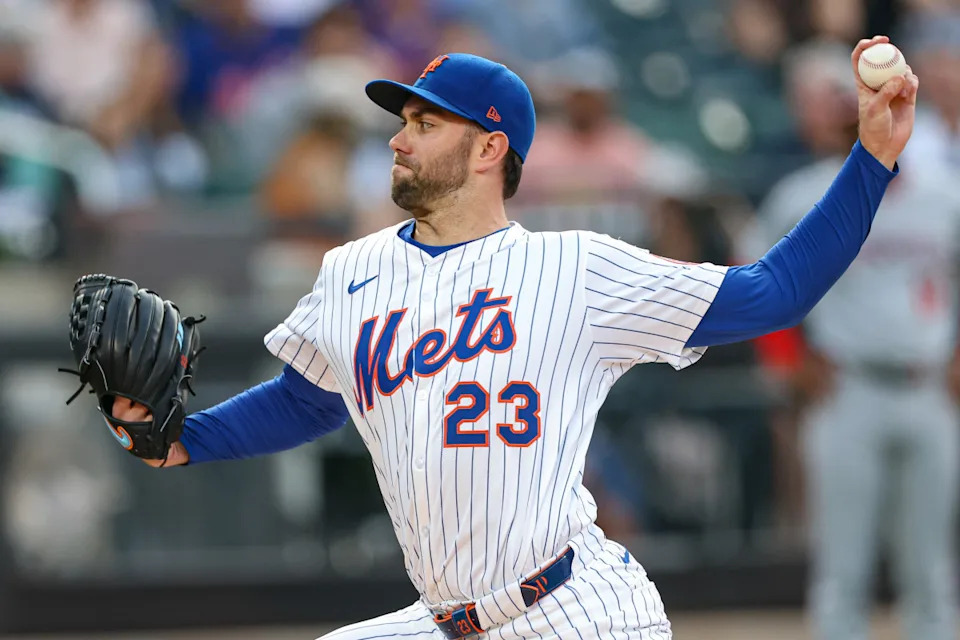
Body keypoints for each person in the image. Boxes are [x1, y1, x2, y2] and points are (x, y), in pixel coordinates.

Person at [113, 37, 917, 638]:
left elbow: (773, 292)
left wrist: (872, 160)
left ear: (491, 147)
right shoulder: (350, 271)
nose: (398, 138)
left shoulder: (575, 268)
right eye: (403, 121)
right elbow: (310, 400)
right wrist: (181, 439)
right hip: (442, 618)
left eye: (425, 123)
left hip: (574, 609)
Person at [751, 33, 960, 640]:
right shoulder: (804, 191)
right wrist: (790, 360)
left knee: (932, 571)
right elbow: (751, 276)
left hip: (929, 389)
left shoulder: (944, 195)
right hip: (848, 390)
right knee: (844, 569)